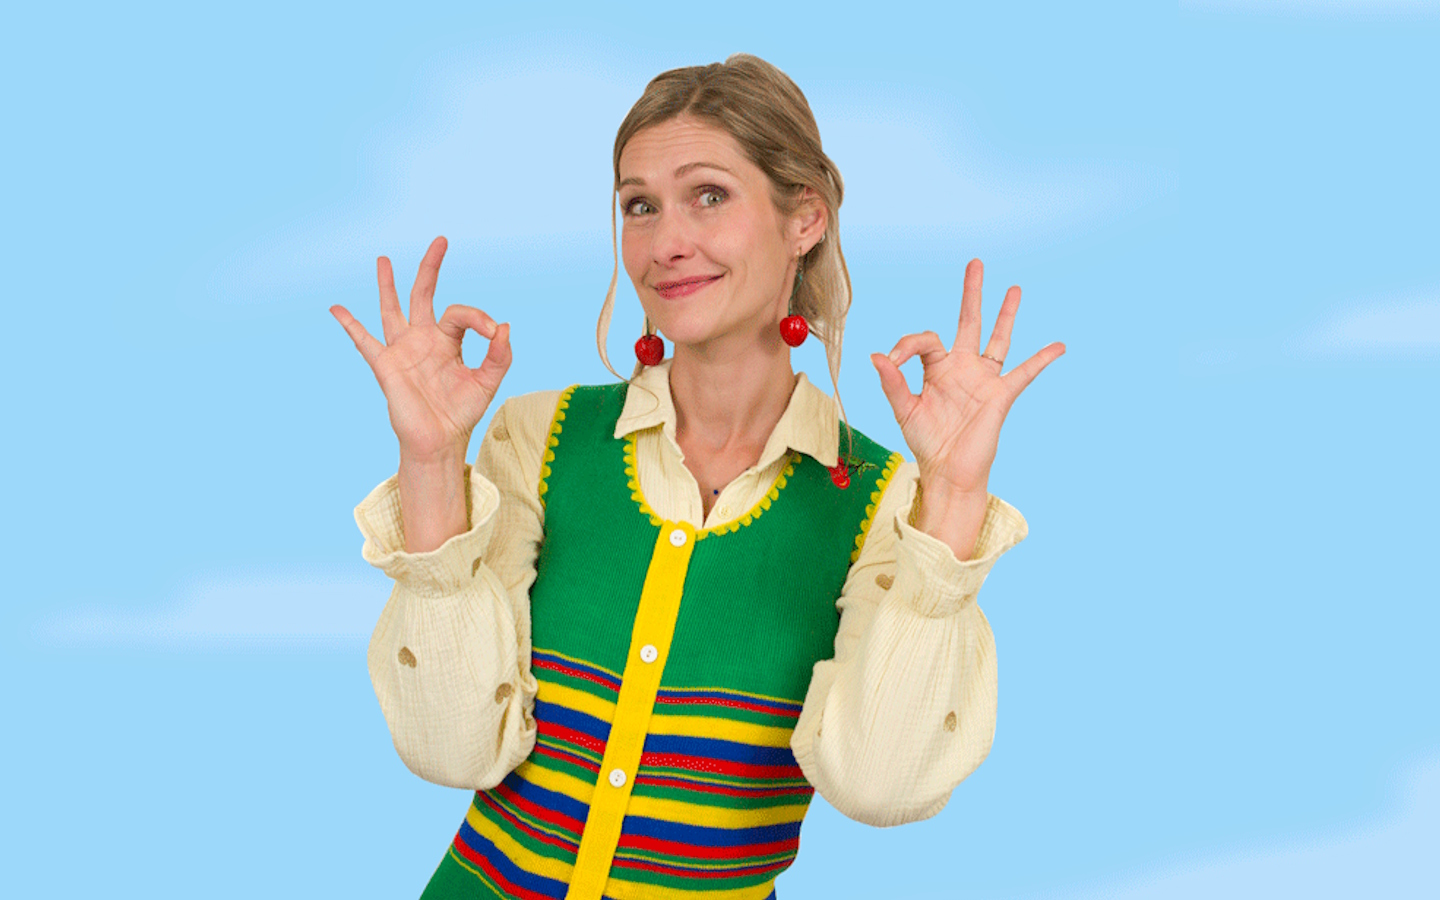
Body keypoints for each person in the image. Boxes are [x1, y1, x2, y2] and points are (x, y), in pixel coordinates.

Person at [331, 53, 1064, 900]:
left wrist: (955, 497)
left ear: (805, 218)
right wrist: (430, 462)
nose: (665, 243)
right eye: (639, 205)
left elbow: (881, 788)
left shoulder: (886, 502)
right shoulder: (540, 437)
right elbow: (451, 751)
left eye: (708, 195)